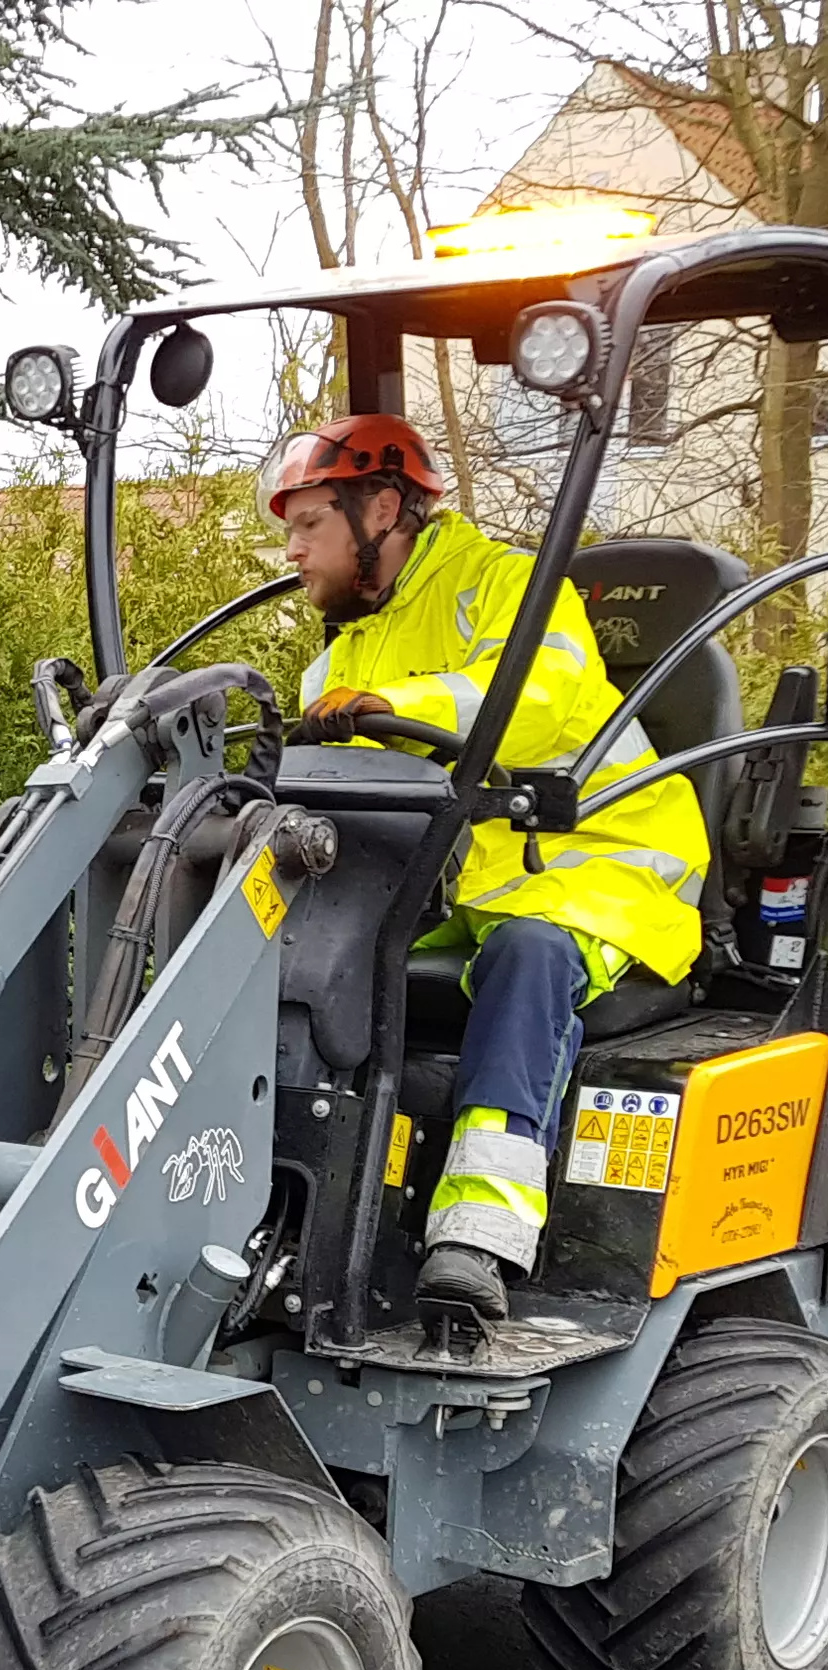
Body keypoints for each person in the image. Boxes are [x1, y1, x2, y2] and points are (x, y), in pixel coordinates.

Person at [261, 413, 710, 1322]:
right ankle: (279, 1208)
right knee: (291, 943)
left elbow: (531, 698)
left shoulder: (511, 587)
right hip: (473, 879)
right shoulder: (342, 655)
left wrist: (396, 705)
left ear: (382, 508)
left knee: (529, 956)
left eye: (310, 526)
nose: (296, 552)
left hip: (600, 866)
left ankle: (479, 1236)